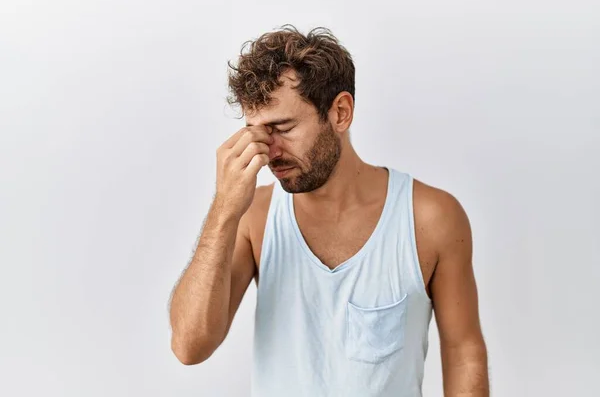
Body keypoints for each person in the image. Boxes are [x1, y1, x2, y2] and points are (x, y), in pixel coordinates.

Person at [168, 25, 489, 397]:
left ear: (340, 112)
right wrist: (224, 210)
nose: (267, 153)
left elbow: (463, 351)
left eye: (282, 128)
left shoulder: (430, 218)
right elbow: (189, 347)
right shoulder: (252, 217)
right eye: (255, 133)